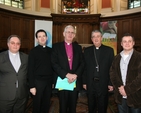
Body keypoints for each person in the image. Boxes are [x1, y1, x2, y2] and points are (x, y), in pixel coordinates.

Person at [51, 25, 84, 113]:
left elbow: (82, 63)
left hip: (74, 80)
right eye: (68, 32)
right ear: (63, 34)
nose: (70, 34)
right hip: (62, 80)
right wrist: (66, 75)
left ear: (74, 35)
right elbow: (54, 63)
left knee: (73, 106)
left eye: (72, 32)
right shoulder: (56, 47)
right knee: (63, 106)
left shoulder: (78, 48)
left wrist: (75, 75)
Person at [83, 30, 114, 113]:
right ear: (91, 39)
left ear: (101, 38)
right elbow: (84, 67)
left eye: (98, 36)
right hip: (91, 83)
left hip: (103, 83)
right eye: (94, 37)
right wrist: (84, 82)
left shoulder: (109, 50)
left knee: (103, 106)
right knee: (91, 106)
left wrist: (110, 83)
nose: (96, 38)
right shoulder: (87, 51)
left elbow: (112, 68)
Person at [110, 33, 141, 113]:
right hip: (120, 96)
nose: (127, 43)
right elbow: (113, 74)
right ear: (121, 44)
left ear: (133, 43)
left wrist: (127, 89)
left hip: (135, 96)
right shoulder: (116, 58)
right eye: (125, 41)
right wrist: (120, 88)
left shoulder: (139, 57)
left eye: (129, 41)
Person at [0, 35, 28, 113]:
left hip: (21, 94)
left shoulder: (26, 58)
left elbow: (29, 73)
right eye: (13, 43)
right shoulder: (1, 57)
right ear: (8, 44)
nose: (15, 45)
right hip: (5, 95)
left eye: (18, 43)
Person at [28, 29, 53, 113]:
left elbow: (52, 67)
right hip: (37, 82)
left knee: (46, 104)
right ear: (37, 39)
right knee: (37, 105)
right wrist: (31, 86)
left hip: (48, 82)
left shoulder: (51, 51)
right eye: (39, 36)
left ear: (46, 38)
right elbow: (30, 70)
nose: (42, 38)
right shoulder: (33, 52)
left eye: (43, 36)